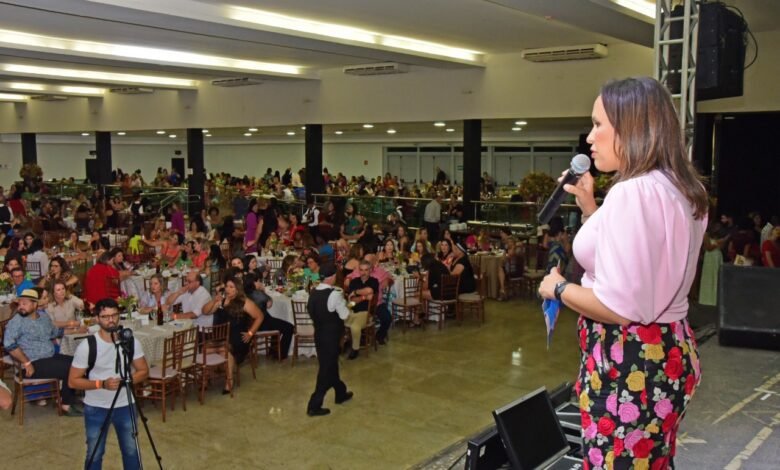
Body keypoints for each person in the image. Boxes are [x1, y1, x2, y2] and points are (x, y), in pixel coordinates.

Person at [539, 77, 707, 469]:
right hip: (667, 351)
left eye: (598, 124)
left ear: (631, 127)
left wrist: (558, 288)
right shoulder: (678, 188)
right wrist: (589, 206)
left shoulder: (632, 192)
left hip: (628, 364)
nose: (589, 137)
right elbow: (636, 260)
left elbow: (619, 306)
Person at [68, 298, 149, 470]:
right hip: (96, 407)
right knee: (94, 453)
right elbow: (73, 381)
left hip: (125, 405)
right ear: (97, 318)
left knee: (131, 451)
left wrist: (125, 382)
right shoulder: (87, 346)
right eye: (105, 317)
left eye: (114, 315)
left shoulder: (130, 342)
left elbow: (143, 371)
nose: (111, 320)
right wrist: (101, 384)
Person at [3, 289, 81, 416]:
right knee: (69, 368)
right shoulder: (17, 321)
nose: (21, 306)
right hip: (32, 363)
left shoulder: (43, 317)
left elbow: (55, 332)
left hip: (49, 357)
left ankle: (65, 397)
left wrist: (76, 330)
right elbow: (9, 344)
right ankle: (66, 405)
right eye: (20, 303)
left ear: (35, 304)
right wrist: (26, 362)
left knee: (79, 363)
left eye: (25, 303)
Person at [306, 262, 353, 417]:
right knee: (326, 370)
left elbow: (311, 311)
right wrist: (348, 304)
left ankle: (340, 392)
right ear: (332, 277)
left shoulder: (313, 292)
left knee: (330, 365)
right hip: (332, 336)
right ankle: (314, 405)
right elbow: (344, 315)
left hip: (319, 334)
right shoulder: (334, 294)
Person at [204, 277, 262, 393]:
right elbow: (205, 311)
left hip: (238, 338)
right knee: (206, 348)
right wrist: (214, 301)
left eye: (231, 287)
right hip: (221, 337)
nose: (228, 289)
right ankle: (206, 378)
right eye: (227, 286)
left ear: (237, 289)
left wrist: (250, 333)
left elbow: (259, 316)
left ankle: (229, 380)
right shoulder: (221, 301)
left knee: (225, 349)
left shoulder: (244, 302)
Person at [345, 260, 377, 359]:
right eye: (361, 270)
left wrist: (355, 292)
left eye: (366, 270)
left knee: (355, 326)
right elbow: (352, 300)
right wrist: (364, 297)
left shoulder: (374, 281)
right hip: (352, 309)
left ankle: (355, 349)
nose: (363, 272)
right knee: (335, 320)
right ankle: (341, 344)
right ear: (359, 270)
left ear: (370, 270)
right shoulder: (354, 281)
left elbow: (369, 290)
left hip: (366, 312)